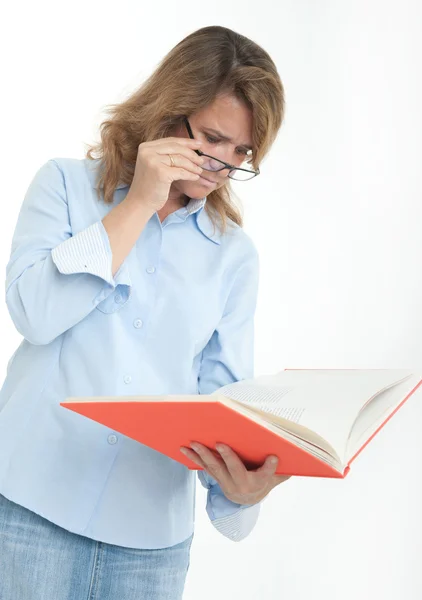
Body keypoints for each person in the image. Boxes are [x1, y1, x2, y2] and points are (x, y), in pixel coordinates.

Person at [0, 25, 288, 600]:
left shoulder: (233, 255)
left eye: (241, 153)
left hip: (151, 541)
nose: (221, 166)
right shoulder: (63, 186)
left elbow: (220, 402)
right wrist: (137, 203)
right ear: (168, 112)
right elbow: (34, 314)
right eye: (212, 139)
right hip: (31, 510)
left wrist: (242, 487)